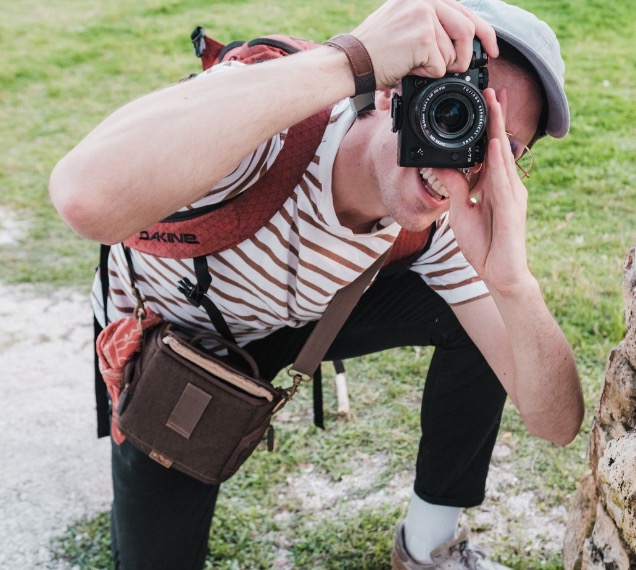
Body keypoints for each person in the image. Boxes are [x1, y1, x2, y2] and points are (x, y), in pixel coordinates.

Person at [49, 0, 584, 567]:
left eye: (499, 146)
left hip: (301, 312)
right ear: (392, 88)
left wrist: (513, 284)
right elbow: (84, 197)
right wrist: (350, 59)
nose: (462, 156)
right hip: (181, 335)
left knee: (489, 325)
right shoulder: (268, 127)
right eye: (456, 111)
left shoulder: (449, 225)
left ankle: (429, 543)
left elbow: (554, 423)